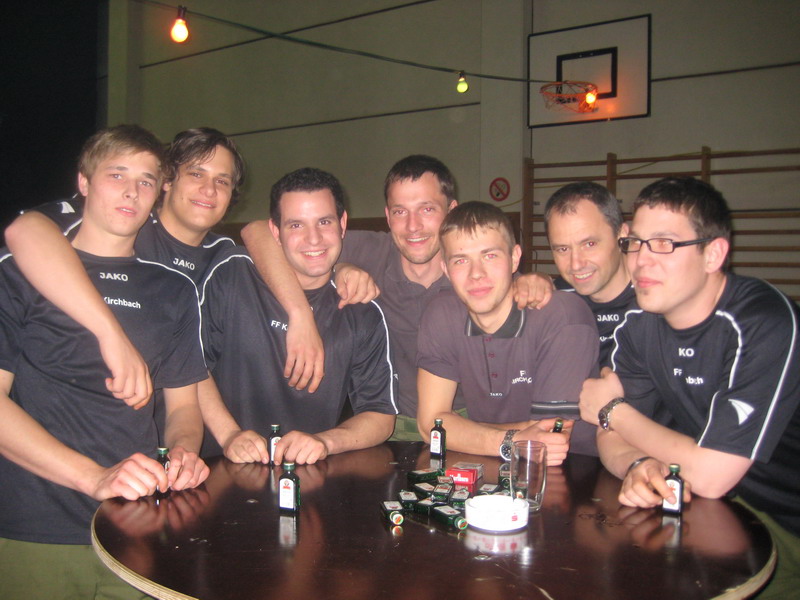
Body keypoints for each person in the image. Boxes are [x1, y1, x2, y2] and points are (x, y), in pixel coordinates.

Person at [0, 125, 209, 599]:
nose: (132, 191)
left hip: (135, 529)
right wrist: (94, 477)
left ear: (159, 193)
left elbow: (183, 407)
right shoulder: (20, 271)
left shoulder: (174, 289)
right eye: (117, 174)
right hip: (36, 530)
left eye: (146, 180)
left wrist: (182, 453)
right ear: (84, 182)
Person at [579, 176, 800, 598]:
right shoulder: (640, 325)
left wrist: (612, 410)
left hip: (785, 520)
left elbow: (713, 474)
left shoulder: (762, 321)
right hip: (708, 509)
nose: (641, 261)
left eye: (664, 243)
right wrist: (638, 463)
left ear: (713, 254)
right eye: (636, 243)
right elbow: (611, 437)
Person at [242, 155, 552, 440]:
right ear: (388, 217)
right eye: (400, 211)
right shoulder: (368, 251)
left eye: (427, 209)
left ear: (451, 211)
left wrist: (535, 281)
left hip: (472, 425)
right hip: (389, 428)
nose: (413, 226)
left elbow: (527, 291)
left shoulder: (476, 274)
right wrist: (305, 309)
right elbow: (258, 231)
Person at [199, 167, 398, 465]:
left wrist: (324, 442)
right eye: (296, 225)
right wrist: (229, 435)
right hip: (220, 468)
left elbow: (380, 415)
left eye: (324, 222)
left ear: (343, 224)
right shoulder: (232, 276)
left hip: (307, 475)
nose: (313, 239)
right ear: (275, 231)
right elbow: (192, 366)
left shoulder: (362, 311)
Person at [416, 201, 600, 462]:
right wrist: (511, 440)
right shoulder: (441, 314)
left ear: (514, 257)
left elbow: (550, 437)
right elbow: (431, 426)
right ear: (445, 269)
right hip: (493, 464)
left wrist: (463, 430)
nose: (476, 274)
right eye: (461, 260)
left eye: (490, 255)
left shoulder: (562, 316)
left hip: (576, 470)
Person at [544, 182, 636, 367]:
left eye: (589, 244)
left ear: (621, 235)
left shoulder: (658, 300)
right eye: (563, 249)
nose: (576, 264)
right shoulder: (554, 298)